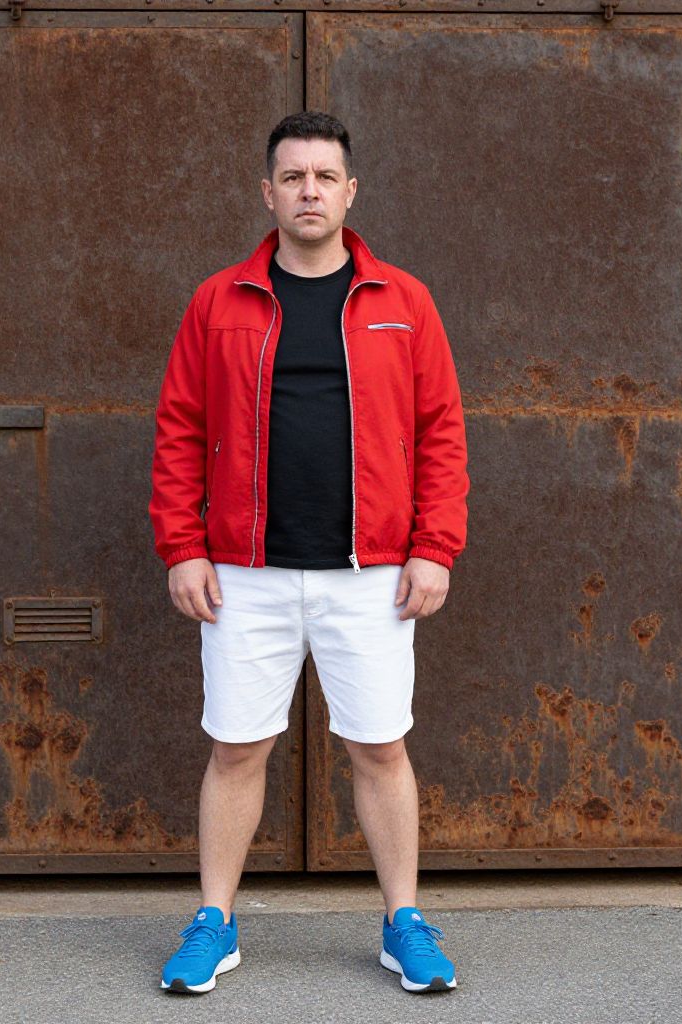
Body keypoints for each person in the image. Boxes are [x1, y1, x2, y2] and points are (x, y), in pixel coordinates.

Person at [148, 110, 469, 994]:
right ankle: (214, 922)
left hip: (372, 575)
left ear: (350, 191)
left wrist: (435, 546)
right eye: (293, 177)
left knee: (381, 749)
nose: (309, 192)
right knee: (235, 749)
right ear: (269, 193)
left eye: (325, 177)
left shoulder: (403, 302)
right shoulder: (219, 301)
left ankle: (404, 923)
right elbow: (180, 429)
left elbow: (441, 431)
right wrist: (182, 546)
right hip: (243, 574)